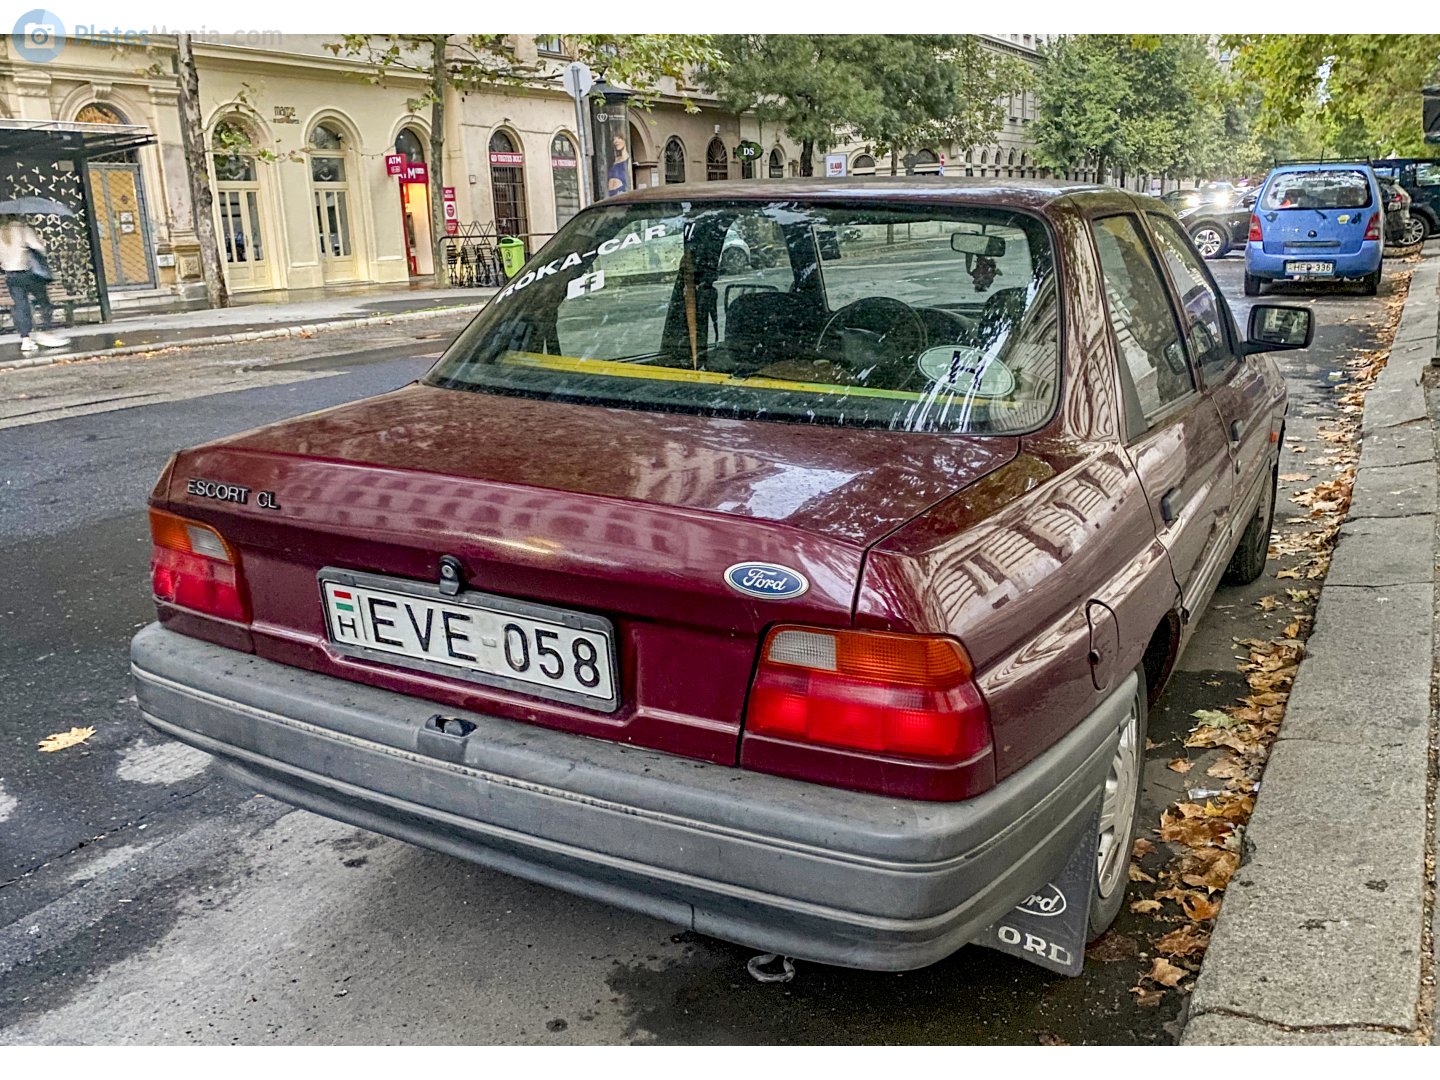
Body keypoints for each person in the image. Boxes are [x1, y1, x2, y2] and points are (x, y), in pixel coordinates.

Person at [0, 215, 65, 353]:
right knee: (44, 302)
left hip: (12, 276)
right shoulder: (23, 229)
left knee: (21, 307)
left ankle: (26, 340)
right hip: (29, 274)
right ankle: (46, 332)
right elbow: (39, 249)